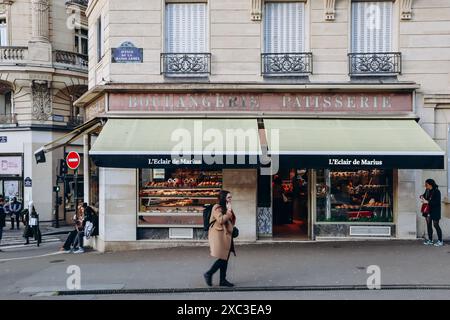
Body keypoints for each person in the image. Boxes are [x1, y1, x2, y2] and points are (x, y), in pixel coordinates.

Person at [204, 190, 236, 287]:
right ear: (223, 198)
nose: (230, 199)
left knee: (225, 257)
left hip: (226, 235)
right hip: (218, 235)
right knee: (223, 257)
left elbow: (231, 220)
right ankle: (209, 273)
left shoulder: (226, 207)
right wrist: (229, 212)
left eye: (231, 197)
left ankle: (222, 280)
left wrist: (229, 211)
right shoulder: (217, 207)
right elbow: (221, 219)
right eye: (228, 197)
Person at [420, 179, 443, 247]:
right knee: (429, 225)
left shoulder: (437, 191)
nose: (425, 186)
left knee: (436, 225)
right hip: (428, 210)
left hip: (435, 211)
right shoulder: (427, 190)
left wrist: (427, 202)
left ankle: (440, 240)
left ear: (430, 184)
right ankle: (430, 240)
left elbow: (437, 202)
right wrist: (421, 196)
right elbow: (424, 196)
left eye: (426, 184)